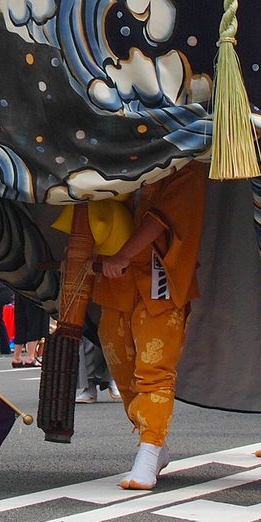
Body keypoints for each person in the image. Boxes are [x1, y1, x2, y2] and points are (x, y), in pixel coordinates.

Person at [95, 161, 208, 491]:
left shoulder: (187, 161)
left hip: (160, 275)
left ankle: (150, 446)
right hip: (117, 278)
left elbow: (164, 218)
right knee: (121, 363)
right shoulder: (121, 150)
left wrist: (124, 255)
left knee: (154, 367)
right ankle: (152, 442)